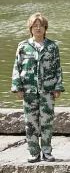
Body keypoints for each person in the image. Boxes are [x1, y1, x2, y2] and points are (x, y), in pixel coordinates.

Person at [11, 12, 63, 162]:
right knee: (31, 123)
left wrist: (58, 87)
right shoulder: (23, 46)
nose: (38, 28)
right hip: (29, 91)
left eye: (41, 26)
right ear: (30, 28)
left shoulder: (52, 46)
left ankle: (47, 151)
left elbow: (58, 68)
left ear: (45, 28)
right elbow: (17, 67)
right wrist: (17, 87)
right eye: (35, 26)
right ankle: (34, 152)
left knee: (47, 122)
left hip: (47, 90)